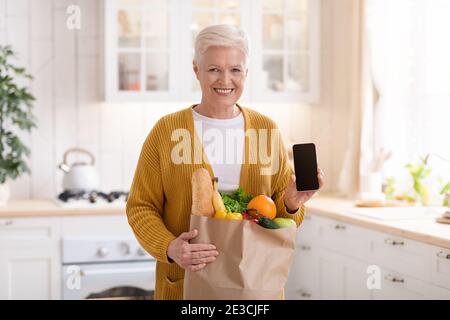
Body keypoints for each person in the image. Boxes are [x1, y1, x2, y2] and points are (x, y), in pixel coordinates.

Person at [126, 24, 324, 300]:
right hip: (186, 283)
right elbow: (140, 207)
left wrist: (291, 203)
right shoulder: (167, 131)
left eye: (235, 70)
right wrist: (170, 247)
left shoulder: (266, 131)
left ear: (246, 72)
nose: (225, 80)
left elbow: (279, 216)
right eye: (214, 69)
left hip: (254, 284)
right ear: (197, 70)